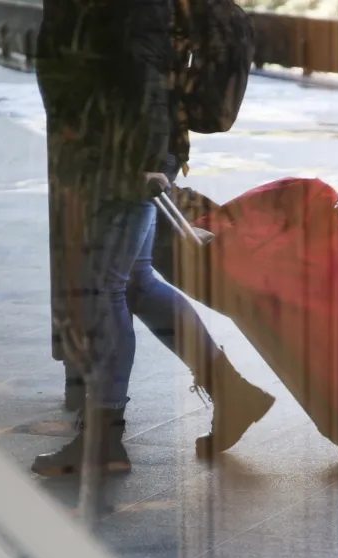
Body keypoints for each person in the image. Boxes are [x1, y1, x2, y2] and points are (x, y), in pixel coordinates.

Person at [32, 0, 274, 476]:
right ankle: (231, 392)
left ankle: (103, 439)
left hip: (125, 155)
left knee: (103, 289)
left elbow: (139, 64)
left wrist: (144, 159)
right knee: (135, 282)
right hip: (120, 147)